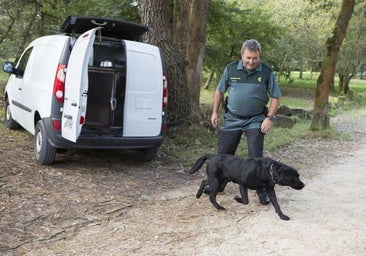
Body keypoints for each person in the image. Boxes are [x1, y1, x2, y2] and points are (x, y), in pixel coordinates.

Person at [209, 39, 281, 205]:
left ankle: (261, 190)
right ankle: (218, 185)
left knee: (256, 158)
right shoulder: (231, 69)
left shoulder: (267, 72)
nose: (251, 61)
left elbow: (275, 97)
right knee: (223, 155)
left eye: (255, 58)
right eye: (248, 58)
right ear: (242, 55)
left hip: (255, 120)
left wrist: (269, 118)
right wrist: (214, 112)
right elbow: (219, 91)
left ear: (259, 56)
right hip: (232, 119)